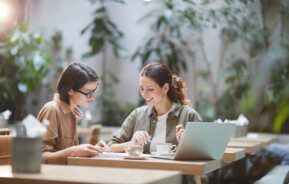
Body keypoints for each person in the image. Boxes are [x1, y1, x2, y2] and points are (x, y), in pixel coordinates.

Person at [109, 62, 202, 153]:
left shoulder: (189, 116)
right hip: (144, 169)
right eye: (142, 89)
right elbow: (110, 146)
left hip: (176, 169)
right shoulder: (137, 115)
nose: (144, 94)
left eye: (150, 89)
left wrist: (187, 145)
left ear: (165, 88)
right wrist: (131, 143)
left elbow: (206, 155)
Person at [37, 62, 110, 164]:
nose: (92, 97)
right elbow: (40, 157)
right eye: (88, 92)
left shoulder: (72, 113)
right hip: (51, 177)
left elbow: (67, 154)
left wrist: (91, 149)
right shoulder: (52, 110)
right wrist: (74, 151)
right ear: (70, 90)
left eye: (94, 91)